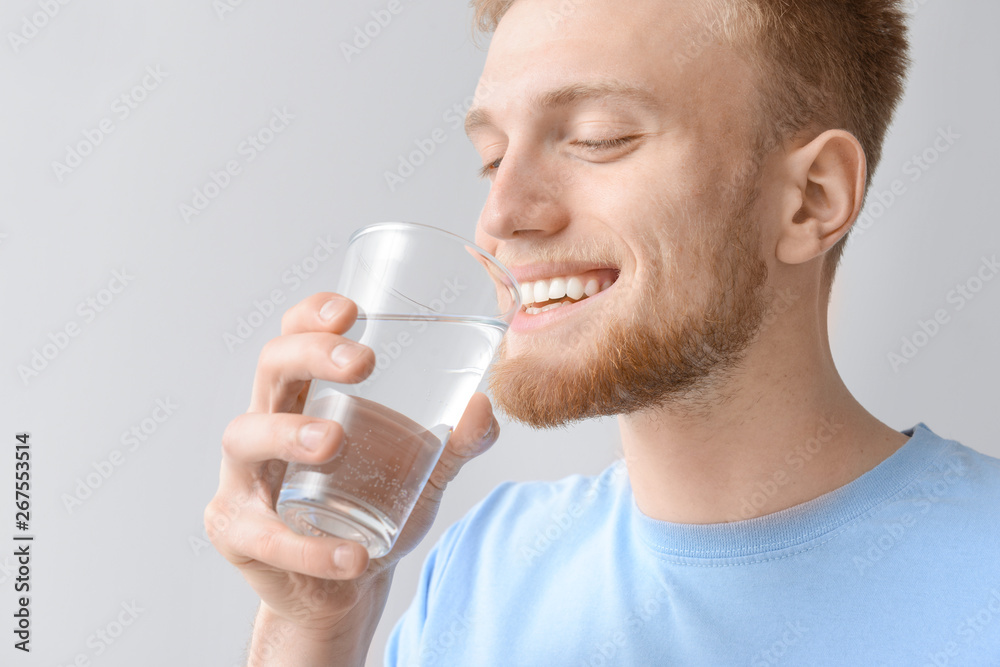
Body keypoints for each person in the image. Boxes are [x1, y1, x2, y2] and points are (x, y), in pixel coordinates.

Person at [205, 0, 1000, 664]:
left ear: (811, 199)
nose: (502, 215)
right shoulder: (484, 570)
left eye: (596, 138)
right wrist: (314, 622)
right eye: (491, 157)